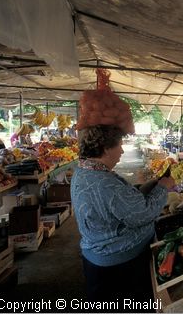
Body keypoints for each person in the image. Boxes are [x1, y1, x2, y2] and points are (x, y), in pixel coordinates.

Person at [71, 124, 175, 304]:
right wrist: (163, 188)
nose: (122, 150)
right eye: (119, 145)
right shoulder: (106, 184)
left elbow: (121, 202)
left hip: (98, 260)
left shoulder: (84, 171)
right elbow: (143, 214)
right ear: (105, 148)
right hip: (119, 268)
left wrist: (151, 184)